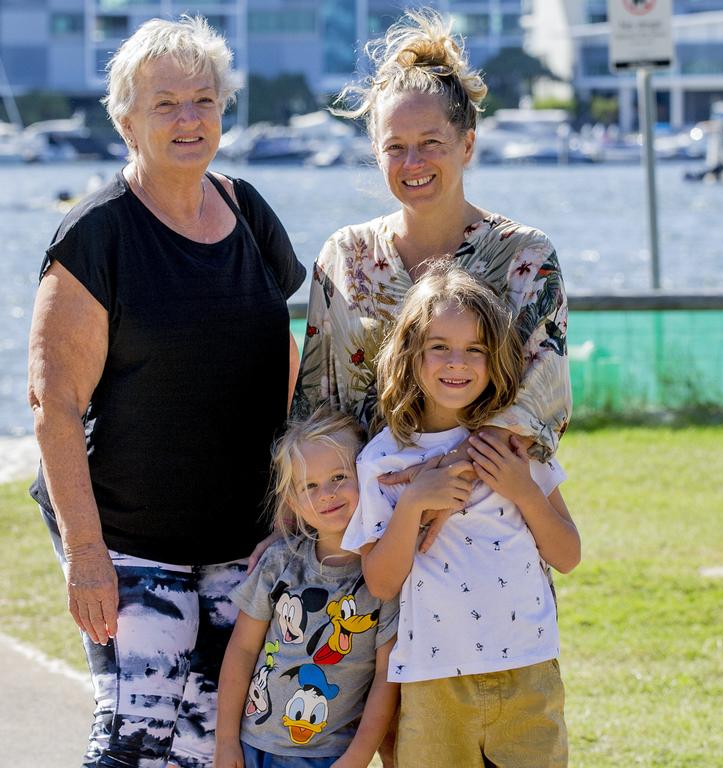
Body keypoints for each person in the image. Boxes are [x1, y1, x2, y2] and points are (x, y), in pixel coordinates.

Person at [26, 16, 305, 767]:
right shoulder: (96, 235)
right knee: (134, 737)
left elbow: (282, 361)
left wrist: (292, 503)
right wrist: (87, 555)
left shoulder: (247, 209)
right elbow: (54, 406)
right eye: (166, 104)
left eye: (204, 100)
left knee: (215, 736)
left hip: (240, 537)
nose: (190, 119)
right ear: (125, 121)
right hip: (129, 541)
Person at [292, 8, 571, 477]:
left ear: (467, 145)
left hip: (485, 522)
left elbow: (541, 403)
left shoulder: (524, 255)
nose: (413, 162)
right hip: (367, 523)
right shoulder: (344, 256)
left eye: (431, 142)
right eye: (395, 146)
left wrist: (436, 478)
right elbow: (316, 407)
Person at [341, 262, 581, 768]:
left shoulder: (518, 446)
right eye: (440, 347)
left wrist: (524, 491)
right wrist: (413, 503)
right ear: (411, 354)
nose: (458, 362)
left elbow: (568, 555)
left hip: (528, 667)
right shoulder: (384, 461)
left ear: (496, 361)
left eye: (476, 349)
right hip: (433, 678)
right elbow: (381, 582)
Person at [215, 409, 399, 768]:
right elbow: (242, 649)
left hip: (326, 756)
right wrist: (225, 741)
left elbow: (385, 675)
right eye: (309, 486)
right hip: (253, 746)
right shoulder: (279, 562)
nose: (326, 494)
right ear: (294, 502)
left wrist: (359, 757)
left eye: (339, 477)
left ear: (367, 477)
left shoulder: (383, 578)